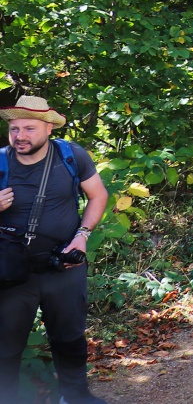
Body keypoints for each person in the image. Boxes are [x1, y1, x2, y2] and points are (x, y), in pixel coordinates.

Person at [0, 96, 110, 404]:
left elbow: (98, 196)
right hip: (12, 273)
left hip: (65, 266)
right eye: (14, 128)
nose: (20, 136)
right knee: (5, 347)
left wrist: (83, 235)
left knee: (70, 337)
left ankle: (75, 397)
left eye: (29, 128)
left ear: (49, 128)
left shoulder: (72, 156)